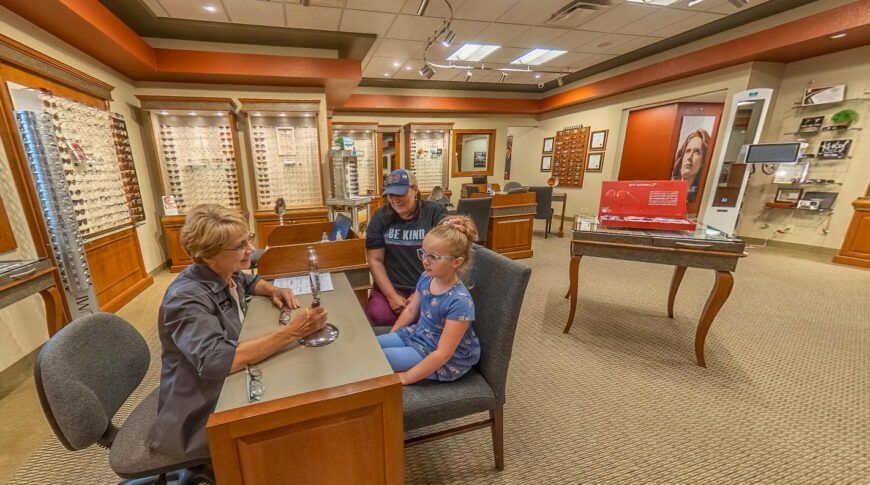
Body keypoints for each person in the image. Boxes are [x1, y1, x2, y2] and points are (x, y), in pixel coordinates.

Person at [148, 204, 328, 459]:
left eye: (248, 240)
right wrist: (293, 332)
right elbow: (217, 361)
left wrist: (273, 290)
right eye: (240, 246)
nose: (251, 250)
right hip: (203, 411)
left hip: (227, 385)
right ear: (208, 255)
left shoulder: (221, 273)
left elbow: (250, 281)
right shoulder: (185, 299)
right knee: (299, 418)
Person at [376, 215, 479, 385]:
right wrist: (395, 336)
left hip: (439, 353)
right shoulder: (426, 277)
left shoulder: (460, 302)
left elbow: (443, 354)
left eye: (433, 257)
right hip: (419, 334)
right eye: (423, 253)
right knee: (370, 348)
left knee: (377, 359)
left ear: (457, 262)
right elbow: (410, 311)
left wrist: (406, 377)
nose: (425, 260)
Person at [365, 169, 447, 326]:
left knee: (428, 319)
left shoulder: (434, 212)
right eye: (390, 195)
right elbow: (375, 260)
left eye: (400, 194)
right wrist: (391, 296)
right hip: (392, 286)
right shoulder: (380, 216)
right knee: (378, 316)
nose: (395, 200)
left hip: (429, 284)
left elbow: (443, 257)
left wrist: (420, 293)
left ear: (415, 189)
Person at [671, 128, 711, 202]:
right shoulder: (668, 191)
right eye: (688, 151)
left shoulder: (703, 198)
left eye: (696, 152)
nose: (689, 157)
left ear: (703, 161)